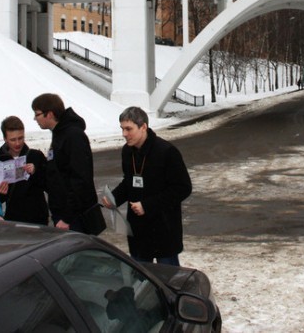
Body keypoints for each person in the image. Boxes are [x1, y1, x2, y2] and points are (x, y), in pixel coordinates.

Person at [102, 106, 192, 266]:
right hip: (138, 230)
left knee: (168, 280)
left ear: (143, 127)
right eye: (122, 129)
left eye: (129, 129)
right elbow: (129, 182)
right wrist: (114, 198)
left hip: (164, 228)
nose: (124, 134)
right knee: (141, 278)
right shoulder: (127, 151)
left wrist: (148, 206)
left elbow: (182, 188)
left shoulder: (167, 151)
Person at [32, 93, 98, 233]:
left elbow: (80, 179)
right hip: (63, 215)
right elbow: (57, 174)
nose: (34, 118)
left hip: (74, 218)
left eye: (37, 114)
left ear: (49, 114)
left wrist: (67, 217)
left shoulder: (73, 136)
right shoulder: (59, 135)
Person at [0, 116, 49, 225]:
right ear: (5, 139)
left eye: (21, 138)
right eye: (13, 140)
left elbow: (49, 185)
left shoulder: (36, 156)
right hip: (12, 219)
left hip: (37, 217)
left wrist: (35, 172)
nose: (18, 143)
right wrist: (0, 193)